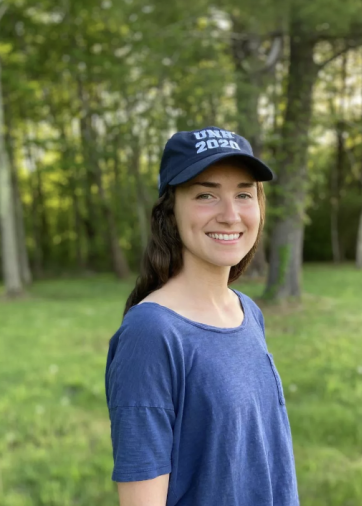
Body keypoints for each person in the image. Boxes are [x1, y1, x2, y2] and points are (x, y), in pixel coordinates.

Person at [104, 126, 300, 506]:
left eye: (244, 194)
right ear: (170, 212)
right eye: (206, 195)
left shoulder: (247, 312)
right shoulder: (151, 334)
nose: (230, 215)